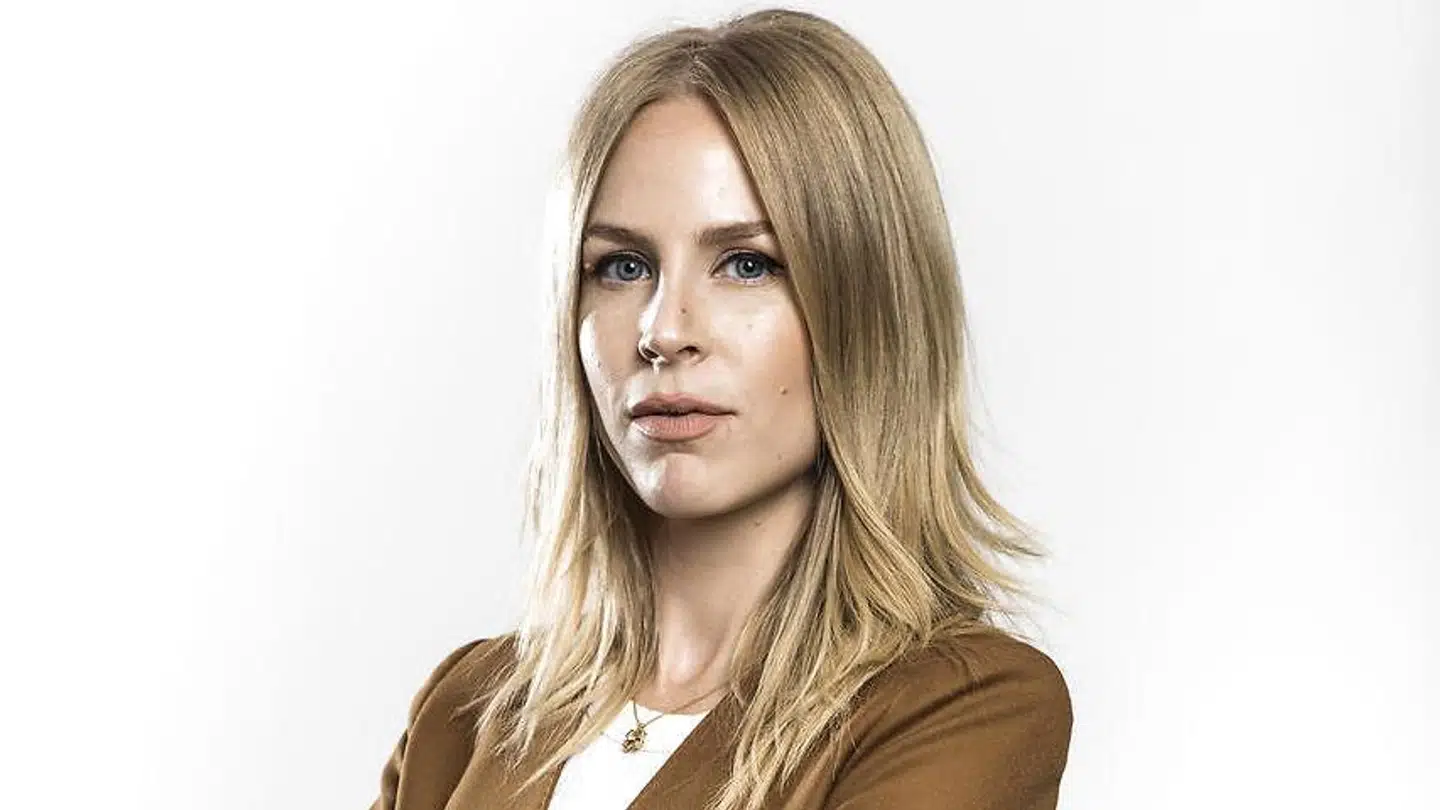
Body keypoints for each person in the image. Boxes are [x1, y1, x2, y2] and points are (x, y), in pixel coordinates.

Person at [370, 7, 1072, 810]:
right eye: (622, 266)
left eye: (746, 264)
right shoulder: (465, 711)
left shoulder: (961, 704)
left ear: (867, 309)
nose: (664, 331)